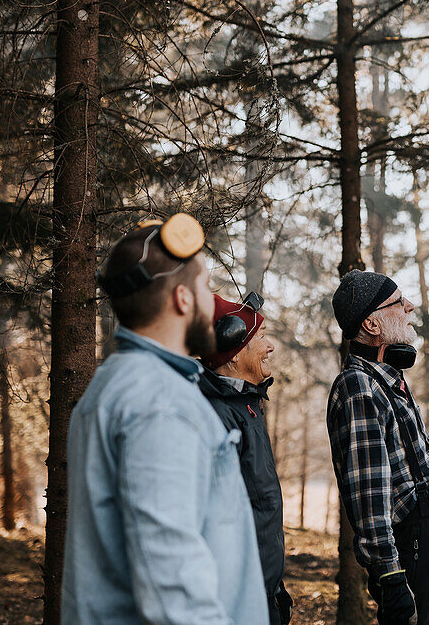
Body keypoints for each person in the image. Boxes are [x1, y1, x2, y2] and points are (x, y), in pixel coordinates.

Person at [62, 214, 268, 625]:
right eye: (207, 287)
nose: (214, 304)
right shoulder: (160, 403)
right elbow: (171, 584)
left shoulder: (117, 384)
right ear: (183, 299)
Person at [326, 269, 429, 625]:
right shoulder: (359, 387)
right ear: (372, 324)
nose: (410, 306)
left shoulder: (390, 380)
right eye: (399, 302)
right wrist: (390, 578)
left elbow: (420, 459)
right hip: (408, 553)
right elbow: (370, 496)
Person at [198, 293, 293, 625]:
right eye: (262, 339)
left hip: (260, 592)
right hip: (235, 600)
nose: (271, 347)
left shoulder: (247, 404)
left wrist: (273, 586)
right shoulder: (215, 414)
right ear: (235, 354)